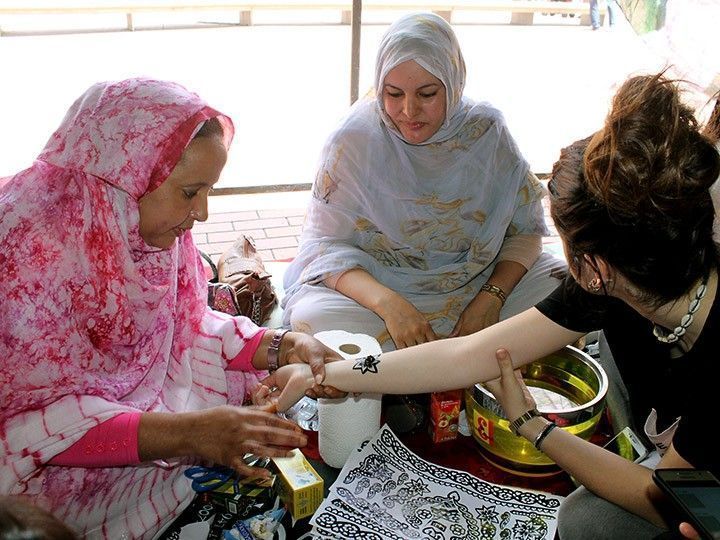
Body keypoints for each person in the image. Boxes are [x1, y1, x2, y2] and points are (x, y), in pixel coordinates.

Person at [266, 73, 720, 539]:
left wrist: (533, 426)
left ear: (593, 266)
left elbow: (666, 497)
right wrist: (326, 374)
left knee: (586, 522)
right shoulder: (622, 279)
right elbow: (466, 355)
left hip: (701, 499)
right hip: (685, 473)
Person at [0, 78, 343, 539]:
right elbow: (32, 427)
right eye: (189, 192)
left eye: (208, 192)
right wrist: (190, 433)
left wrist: (279, 344)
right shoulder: (24, 260)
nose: (201, 213)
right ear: (125, 178)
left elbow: (184, 326)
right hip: (31, 491)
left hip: (127, 426)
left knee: (221, 407)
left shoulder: (144, 229)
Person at [282, 13, 564, 352]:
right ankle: (469, 354)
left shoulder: (485, 132)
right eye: (394, 93)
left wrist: (492, 297)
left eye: (427, 94)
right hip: (378, 288)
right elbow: (323, 248)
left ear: (454, 83)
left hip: (476, 282)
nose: (408, 111)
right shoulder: (355, 140)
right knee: (315, 318)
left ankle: (424, 360)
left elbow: (525, 230)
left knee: (563, 292)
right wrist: (389, 305)